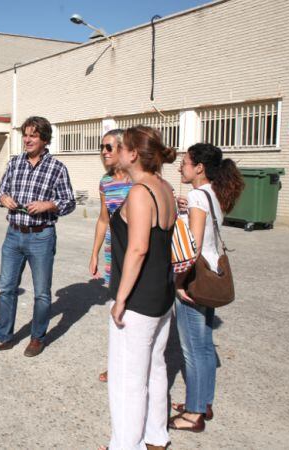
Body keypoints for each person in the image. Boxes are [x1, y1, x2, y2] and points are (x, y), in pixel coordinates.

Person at [100, 125, 177, 450]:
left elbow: (138, 248)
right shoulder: (165, 187)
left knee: (126, 380)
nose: (115, 152)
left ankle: (125, 445)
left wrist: (120, 299)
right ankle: (156, 436)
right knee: (155, 368)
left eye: (121, 147)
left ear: (132, 154)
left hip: (139, 299)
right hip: (162, 295)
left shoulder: (140, 192)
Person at [0, 116, 75, 358]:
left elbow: (70, 202)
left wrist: (49, 205)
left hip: (41, 236)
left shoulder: (57, 168)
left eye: (33, 135)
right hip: (13, 236)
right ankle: (3, 337)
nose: (28, 139)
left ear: (44, 139)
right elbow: (1, 191)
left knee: (41, 292)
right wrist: (3, 199)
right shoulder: (14, 163)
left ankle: (37, 338)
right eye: (26, 135)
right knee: (7, 288)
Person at [169, 143, 244, 432]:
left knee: (194, 350)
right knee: (204, 346)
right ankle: (203, 402)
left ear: (199, 167)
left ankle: (194, 414)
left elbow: (193, 248)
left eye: (185, 163)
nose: (180, 167)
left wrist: (178, 282)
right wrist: (187, 208)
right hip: (212, 274)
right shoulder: (212, 193)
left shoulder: (198, 196)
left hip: (195, 279)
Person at [88, 129, 132, 383]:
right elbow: (103, 219)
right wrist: (94, 254)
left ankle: (130, 365)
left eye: (109, 147)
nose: (104, 152)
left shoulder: (139, 181)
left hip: (134, 252)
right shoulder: (106, 182)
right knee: (115, 306)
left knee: (132, 309)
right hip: (112, 252)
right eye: (102, 147)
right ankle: (117, 364)